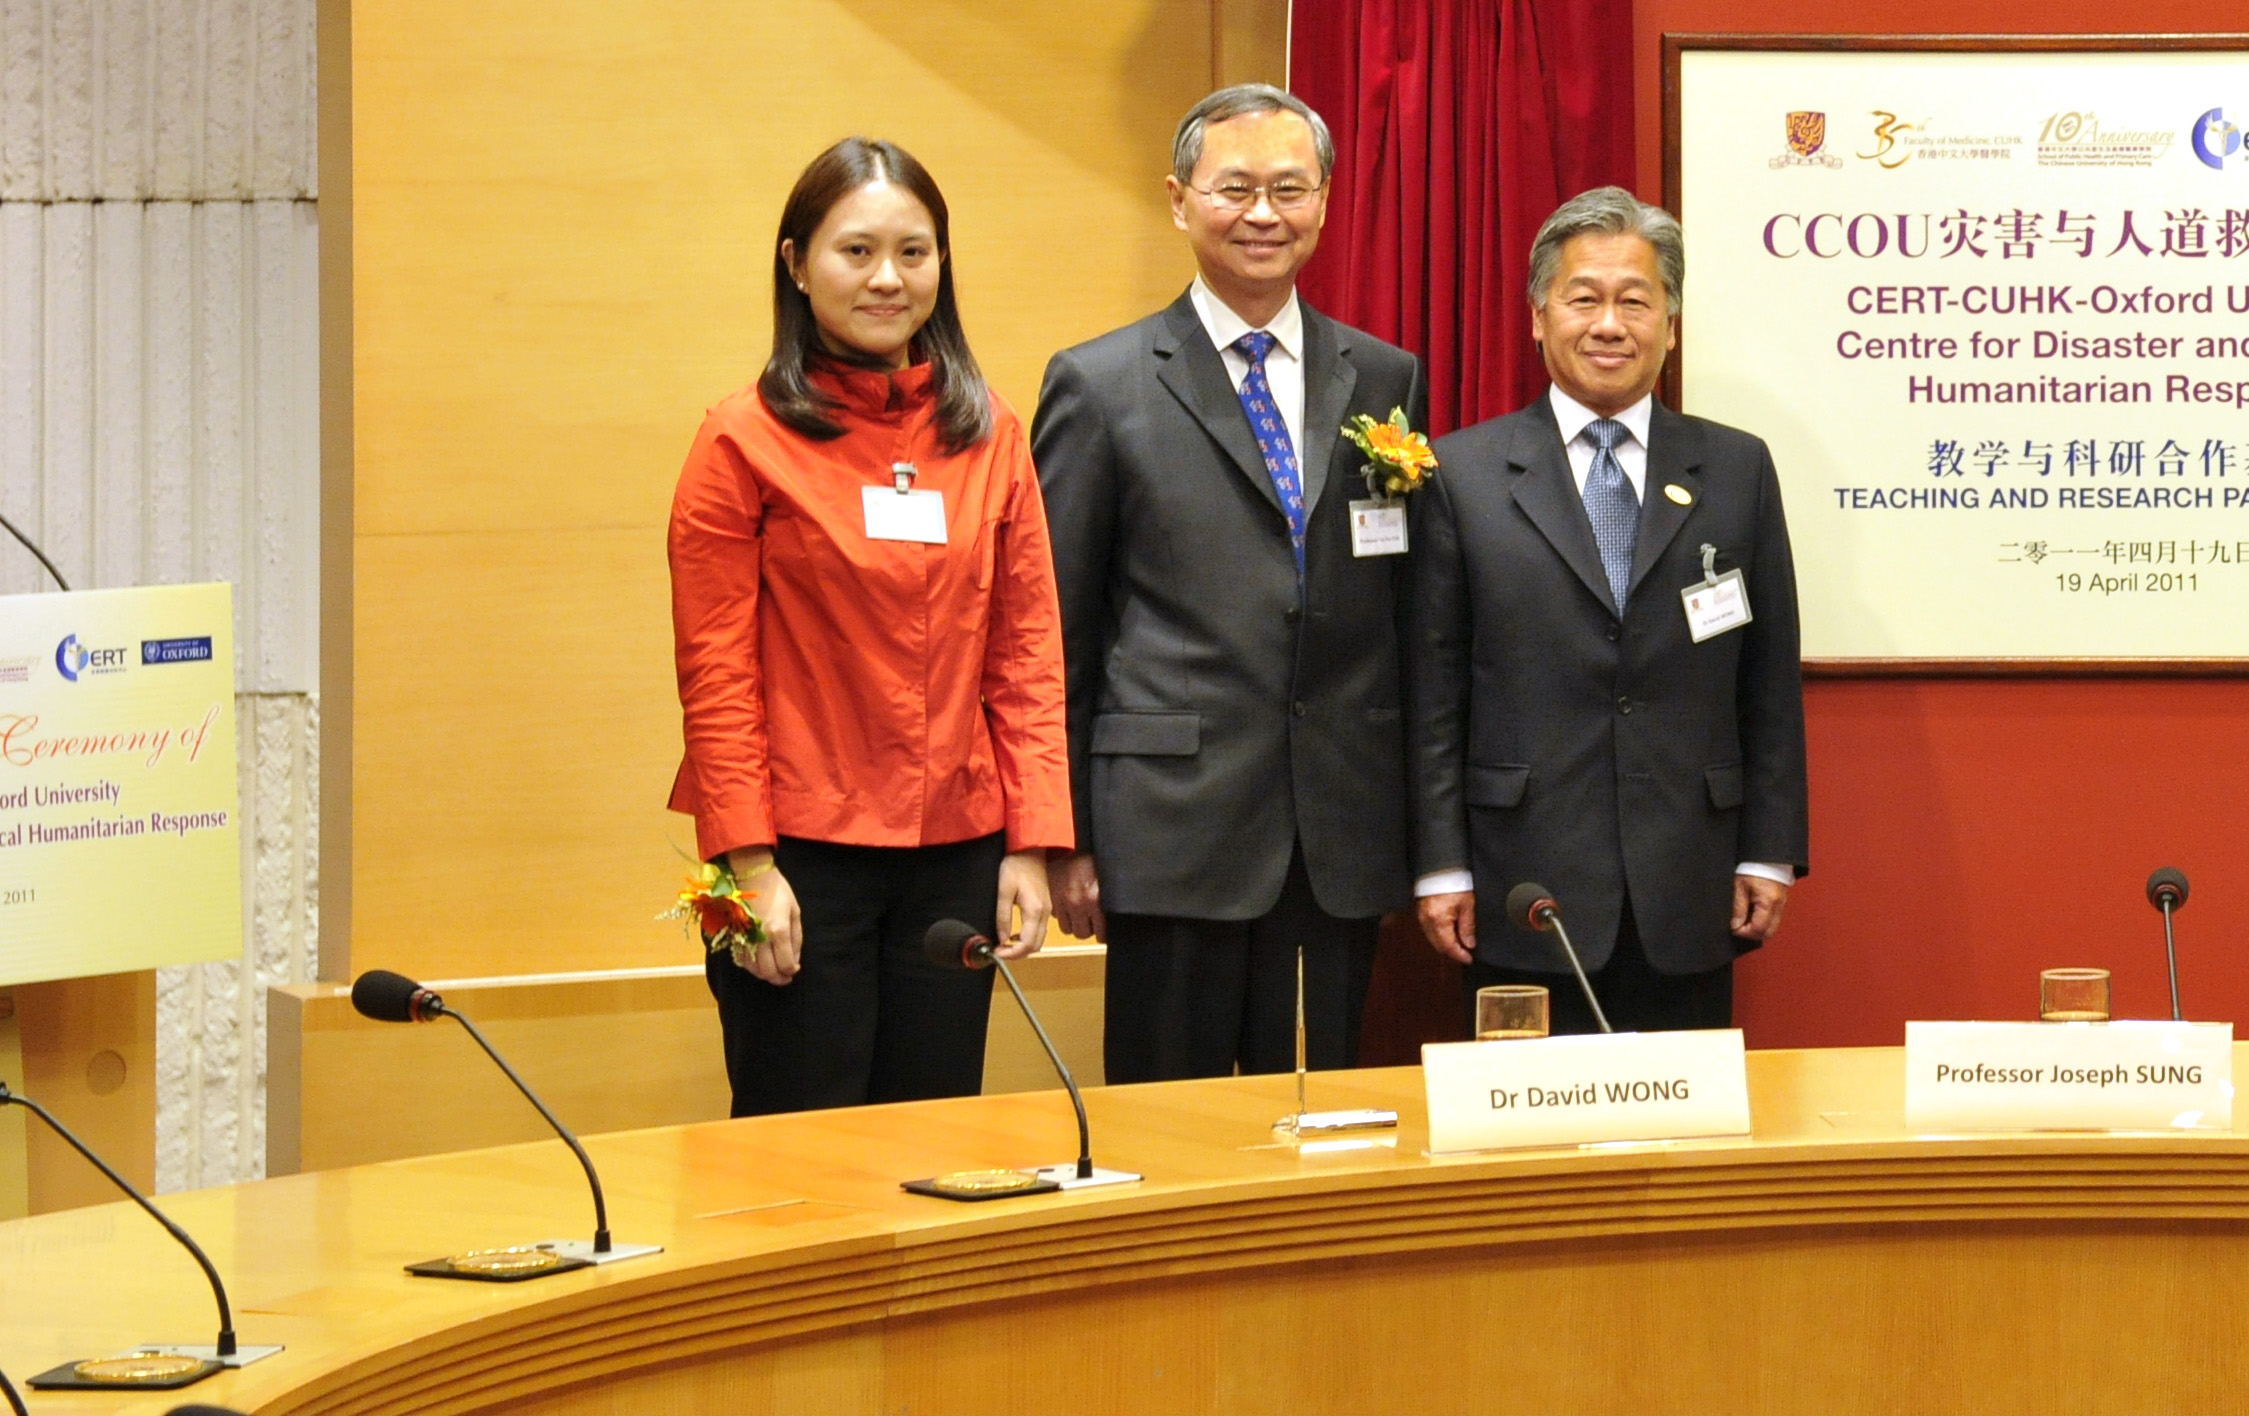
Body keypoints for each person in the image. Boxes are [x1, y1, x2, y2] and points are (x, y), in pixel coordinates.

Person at [1035, 84, 1429, 1085]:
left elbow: (1404, 610)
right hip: (1170, 827)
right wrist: (1063, 835)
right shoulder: (1100, 382)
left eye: (1290, 189)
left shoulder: (1383, 378)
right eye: (1236, 188)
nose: (1264, 214)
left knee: (1323, 1126)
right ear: (1178, 201)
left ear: (1326, 201)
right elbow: (1058, 633)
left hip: (1338, 823)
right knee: (1174, 1131)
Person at [667, 137, 1069, 1116]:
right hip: (789, 857)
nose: (887, 278)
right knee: (796, 1158)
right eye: (856, 252)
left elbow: (1027, 652)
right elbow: (715, 671)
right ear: (796, 264)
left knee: (931, 1145)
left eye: (914, 252)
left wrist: (1033, 844)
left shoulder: (991, 432)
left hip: (956, 851)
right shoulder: (739, 438)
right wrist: (748, 866)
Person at [1412, 187, 1805, 1032]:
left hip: (1691, 877)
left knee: (1682, 1135)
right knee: (1527, 1142)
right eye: (1583, 298)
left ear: (1670, 321)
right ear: (1538, 316)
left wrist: (1768, 849)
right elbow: (1432, 692)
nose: (1609, 323)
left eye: (1636, 300)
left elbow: (1767, 683)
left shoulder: (1736, 470)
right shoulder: (1462, 475)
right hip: (1518, 876)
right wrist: (1441, 866)